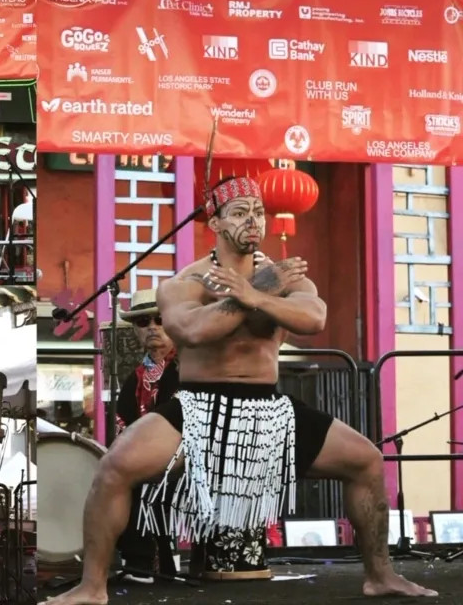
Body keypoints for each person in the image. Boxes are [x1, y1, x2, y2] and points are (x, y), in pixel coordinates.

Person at [39, 175, 437, 605]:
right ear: (215, 222)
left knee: (367, 461)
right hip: (196, 406)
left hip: (268, 407)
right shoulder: (185, 283)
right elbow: (193, 330)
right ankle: (92, 586)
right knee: (115, 466)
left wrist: (255, 292)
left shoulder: (287, 275)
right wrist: (261, 290)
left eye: (259, 212)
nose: (254, 222)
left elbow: (313, 317)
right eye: (240, 213)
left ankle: (380, 575)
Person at [115, 288, 178, 582]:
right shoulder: (136, 378)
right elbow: (123, 422)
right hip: (148, 457)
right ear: (137, 332)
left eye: (160, 319)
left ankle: (142, 563)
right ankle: (136, 562)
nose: (152, 326)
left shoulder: (189, 367)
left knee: (133, 476)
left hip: (189, 456)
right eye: (143, 322)